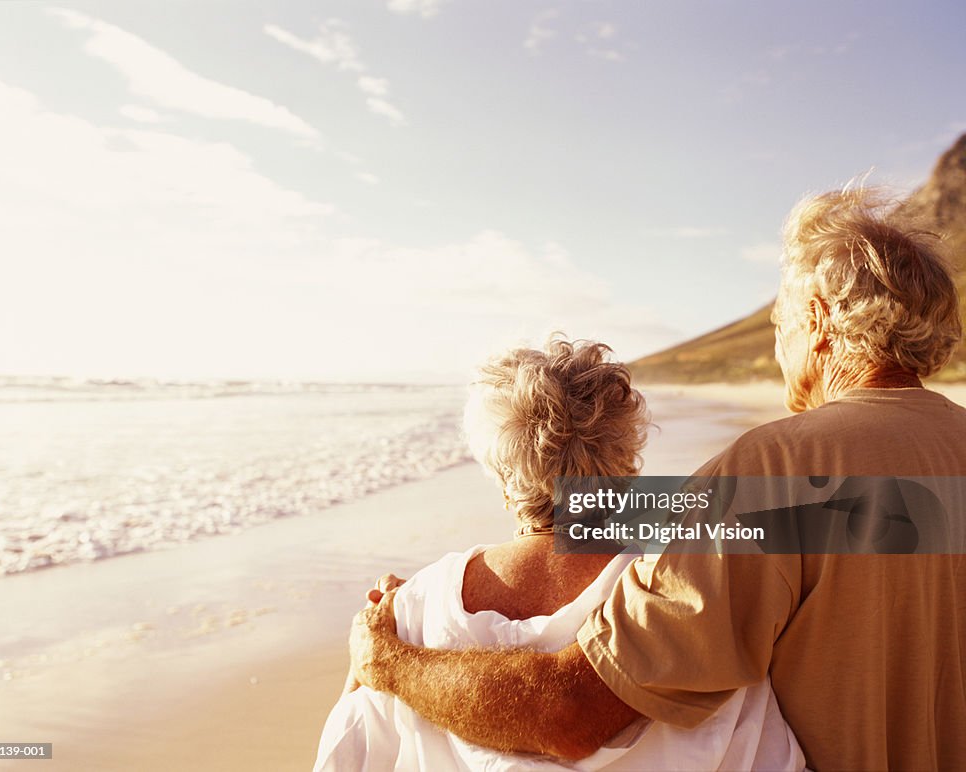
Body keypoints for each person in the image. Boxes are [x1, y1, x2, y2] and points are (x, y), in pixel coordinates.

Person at [348, 187, 966, 770]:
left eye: (780, 325)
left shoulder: (776, 470)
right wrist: (579, 496)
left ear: (819, 317)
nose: (781, 348)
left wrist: (393, 662)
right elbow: (872, 517)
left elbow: (572, 715)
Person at [317, 338, 804, 770]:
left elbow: (346, 755)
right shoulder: (682, 600)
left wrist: (387, 635)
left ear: (501, 473)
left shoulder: (406, 614)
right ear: (625, 468)